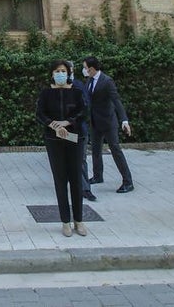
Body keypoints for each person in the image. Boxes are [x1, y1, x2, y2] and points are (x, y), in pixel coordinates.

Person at [36, 60, 90, 237]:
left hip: (75, 139)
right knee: (60, 180)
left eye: (63, 71)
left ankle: (79, 221)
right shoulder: (46, 93)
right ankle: (65, 221)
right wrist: (53, 125)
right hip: (54, 139)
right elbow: (40, 113)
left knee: (76, 180)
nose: (60, 74)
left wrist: (67, 122)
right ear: (52, 73)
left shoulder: (76, 91)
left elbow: (83, 112)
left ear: (68, 73)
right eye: (57, 71)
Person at [82, 56, 134, 193]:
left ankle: (128, 181)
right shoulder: (89, 81)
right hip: (95, 121)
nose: (84, 70)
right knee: (95, 150)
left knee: (115, 150)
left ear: (92, 69)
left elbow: (116, 100)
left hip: (108, 121)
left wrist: (124, 120)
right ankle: (98, 176)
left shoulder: (107, 81)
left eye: (85, 68)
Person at [67, 61, 97, 202]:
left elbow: (85, 107)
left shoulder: (78, 85)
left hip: (78, 130)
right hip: (64, 131)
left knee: (80, 158)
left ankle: (84, 189)